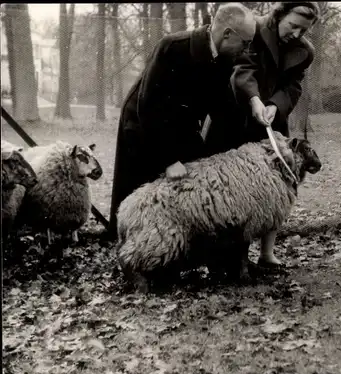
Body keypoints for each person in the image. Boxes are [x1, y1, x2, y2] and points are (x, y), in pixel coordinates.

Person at [108, 3, 256, 239]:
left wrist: (242, 151)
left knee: (184, 194)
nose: (246, 50)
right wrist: (168, 159)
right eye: (246, 43)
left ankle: (175, 251)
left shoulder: (226, 58)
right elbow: (149, 106)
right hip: (143, 123)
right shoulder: (173, 47)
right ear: (227, 33)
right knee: (139, 199)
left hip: (181, 125)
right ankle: (133, 257)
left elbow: (225, 110)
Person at [205, 1, 320, 268]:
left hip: (273, 122)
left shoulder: (304, 51)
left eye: (303, 30)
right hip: (237, 117)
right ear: (279, 15)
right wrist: (255, 99)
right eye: (293, 26)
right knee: (233, 188)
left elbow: (294, 86)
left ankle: (267, 254)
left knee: (279, 186)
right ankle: (228, 255)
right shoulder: (252, 29)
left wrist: (275, 105)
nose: (296, 34)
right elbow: (241, 70)